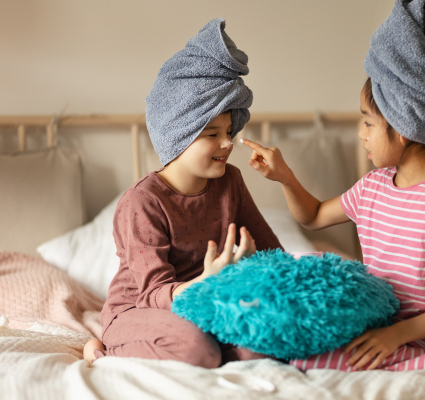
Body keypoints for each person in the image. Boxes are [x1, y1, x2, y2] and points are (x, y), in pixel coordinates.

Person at [240, 0, 425, 378]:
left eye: (368, 123)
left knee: (316, 363)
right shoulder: (372, 188)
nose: (361, 134)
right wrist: (285, 176)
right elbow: (315, 216)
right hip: (380, 326)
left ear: (402, 128)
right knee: (298, 350)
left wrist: (397, 335)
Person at [83, 18, 282, 367]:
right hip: (142, 308)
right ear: (178, 137)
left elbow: (270, 252)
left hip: (206, 300)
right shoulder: (143, 202)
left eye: (229, 131)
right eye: (211, 134)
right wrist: (208, 280)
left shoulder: (230, 182)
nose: (227, 143)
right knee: (197, 350)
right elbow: (153, 293)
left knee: (261, 347)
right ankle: (104, 346)